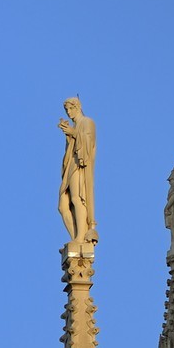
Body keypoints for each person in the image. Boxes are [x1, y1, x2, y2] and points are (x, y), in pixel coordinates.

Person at [58, 98, 96, 245]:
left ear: (77, 107)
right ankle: (77, 237)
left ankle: (80, 237)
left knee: (77, 198)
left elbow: (88, 144)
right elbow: (71, 149)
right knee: (62, 205)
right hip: (71, 165)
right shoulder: (76, 125)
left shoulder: (87, 122)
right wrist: (69, 134)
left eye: (70, 109)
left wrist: (73, 132)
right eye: (66, 110)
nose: (68, 112)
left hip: (79, 166)